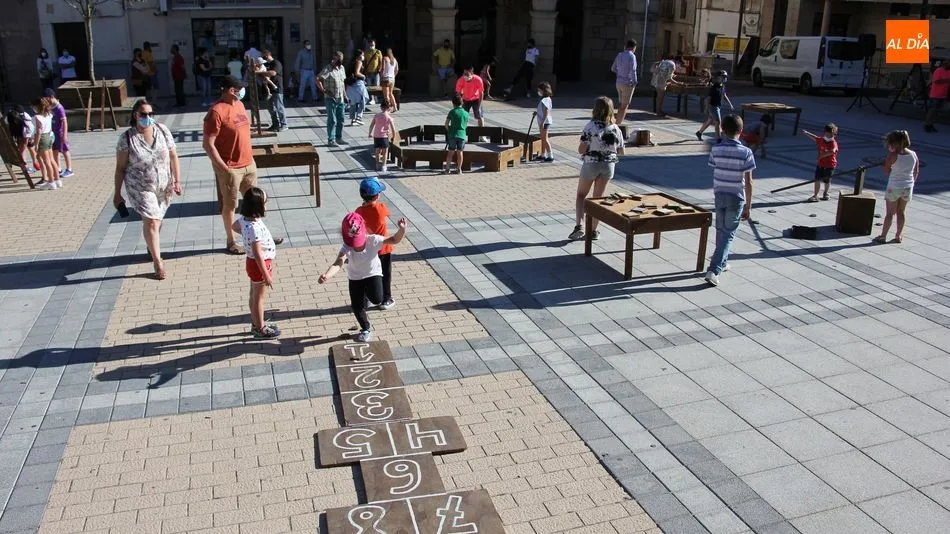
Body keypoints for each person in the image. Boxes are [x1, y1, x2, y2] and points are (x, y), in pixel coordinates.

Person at [113, 99, 183, 280]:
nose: (148, 117)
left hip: (164, 185)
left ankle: (151, 246)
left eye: (151, 114)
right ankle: (157, 261)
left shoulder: (162, 130)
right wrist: (117, 193)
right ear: (135, 115)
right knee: (152, 220)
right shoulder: (127, 138)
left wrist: (177, 180)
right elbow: (120, 168)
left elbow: (174, 155)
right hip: (140, 187)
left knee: (157, 220)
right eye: (143, 114)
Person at [318, 212, 408, 342]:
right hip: (355, 277)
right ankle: (365, 328)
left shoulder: (373, 240)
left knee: (377, 299)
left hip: (373, 273)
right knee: (357, 305)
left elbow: (394, 240)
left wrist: (402, 229)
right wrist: (327, 275)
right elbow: (338, 262)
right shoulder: (347, 247)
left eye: (358, 242)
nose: (356, 246)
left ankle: (368, 292)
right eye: (354, 243)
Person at [203, 76, 257, 255]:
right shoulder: (216, 112)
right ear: (229, 90)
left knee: (253, 202)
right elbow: (208, 144)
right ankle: (231, 241)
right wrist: (222, 167)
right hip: (230, 168)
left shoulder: (240, 105)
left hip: (248, 163)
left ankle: (256, 236)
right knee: (230, 205)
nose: (242, 91)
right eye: (239, 88)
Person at [704, 114, 755, 287]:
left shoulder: (715, 149)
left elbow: (714, 168)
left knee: (720, 230)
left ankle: (722, 262)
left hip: (719, 194)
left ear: (723, 130)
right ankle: (714, 269)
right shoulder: (746, 152)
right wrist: (749, 205)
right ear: (741, 131)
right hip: (736, 196)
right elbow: (748, 182)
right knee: (728, 233)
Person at [568, 97, 626, 241]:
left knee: (581, 195)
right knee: (597, 199)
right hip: (608, 166)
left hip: (591, 164)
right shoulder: (615, 128)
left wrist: (592, 146)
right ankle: (593, 230)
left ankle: (579, 227)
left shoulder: (590, 126)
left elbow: (581, 149)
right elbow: (621, 151)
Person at [234, 187, 280, 339]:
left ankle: (256, 322)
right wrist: (266, 275)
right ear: (258, 206)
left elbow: (234, 227)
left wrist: (249, 237)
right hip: (260, 265)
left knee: (253, 295)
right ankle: (260, 328)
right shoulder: (254, 228)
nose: (266, 206)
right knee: (259, 298)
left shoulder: (245, 220)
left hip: (252, 263)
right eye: (265, 203)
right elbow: (258, 254)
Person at [355, 178, 396, 310]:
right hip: (383, 247)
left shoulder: (359, 211)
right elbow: (388, 214)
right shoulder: (381, 208)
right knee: (385, 274)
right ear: (377, 195)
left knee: (369, 273)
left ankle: (366, 298)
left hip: (369, 249)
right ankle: (386, 298)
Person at [874, 130, 919, 244]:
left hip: (894, 186)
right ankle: (898, 235)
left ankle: (883, 236)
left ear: (895, 143)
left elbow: (886, 170)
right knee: (901, 211)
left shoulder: (893, 155)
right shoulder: (913, 154)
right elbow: (916, 171)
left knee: (890, 213)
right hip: (908, 186)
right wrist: (911, 181)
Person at [317, 51, 347, 147]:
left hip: (340, 98)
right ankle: (331, 140)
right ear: (334, 58)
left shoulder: (342, 68)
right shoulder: (328, 69)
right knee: (332, 120)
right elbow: (317, 79)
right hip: (330, 98)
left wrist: (346, 96)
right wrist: (324, 90)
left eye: (342, 59)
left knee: (341, 119)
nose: (341, 61)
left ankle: (339, 138)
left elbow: (342, 84)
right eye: (339, 59)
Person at [802, 123, 838, 202]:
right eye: (826, 134)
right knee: (817, 180)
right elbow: (815, 138)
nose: (828, 136)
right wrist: (807, 133)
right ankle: (815, 195)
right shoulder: (822, 140)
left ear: (834, 134)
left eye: (830, 135)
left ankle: (826, 193)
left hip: (830, 165)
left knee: (827, 181)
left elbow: (832, 151)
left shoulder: (833, 143)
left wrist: (822, 155)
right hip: (820, 164)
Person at [695, 71, 734, 141]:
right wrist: (706, 108)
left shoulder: (723, 86)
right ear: (719, 78)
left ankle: (699, 132)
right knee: (718, 122)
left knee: (710, 121)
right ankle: (719, 138)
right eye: (723, 77)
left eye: (725, 77)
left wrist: (730, 104)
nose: (724, 79)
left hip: (718, 106)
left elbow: (724, 96)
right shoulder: (714, 87)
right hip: (712, 106)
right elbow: (709, 98)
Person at [44, 89, 74, 178]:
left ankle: (69, 169)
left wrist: (64, 134)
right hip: (53, 133)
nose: (47, 101)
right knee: (55, 151)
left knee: (65, 150)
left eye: (47, 99)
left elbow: (64, 122)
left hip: (60, 133)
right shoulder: (50, 107)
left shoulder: (59, 108)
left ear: (52, 97)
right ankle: (58, 168)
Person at [31, 97, 59, 190]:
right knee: (51, 160)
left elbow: (38, 131)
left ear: (36, 107)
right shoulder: (48, 114)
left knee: (46, 161)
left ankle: (51, 182)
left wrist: (36, 144)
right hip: (49, 136)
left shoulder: (37, 117)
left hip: (42, 138)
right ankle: (57, 180)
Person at [611, 40, 638, 126]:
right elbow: (633, 70)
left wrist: (619, 73)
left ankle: (616, 121)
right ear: (634, 47)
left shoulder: (619, 55)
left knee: (621, 103)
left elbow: (613, 68)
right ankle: (618, 124)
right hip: (627, 82)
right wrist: (635, 81)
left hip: (619, 82)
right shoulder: (632, 56)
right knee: (624, 105)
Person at [260, 50, 287, 131]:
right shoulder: (268, 65)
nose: (262, 57)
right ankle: (275, 124)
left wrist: (261, 73)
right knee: (270, 108)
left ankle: (284, 124)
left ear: (267, 55)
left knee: (279, 107)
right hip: (269, 90)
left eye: (263, 56)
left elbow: (273, 73)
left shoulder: (276, 63)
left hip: (277, 88)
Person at [443, 94, 469, 174]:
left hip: (453, 135)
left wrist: (449, 130)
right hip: (462, 135)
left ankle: (447, 169)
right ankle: (459, 169)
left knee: (450, 152)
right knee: (460, 152)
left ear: (453, 103)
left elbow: (446, 124)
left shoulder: (452, 112)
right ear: (462, 103)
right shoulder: (465, 113)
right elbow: (466, 125)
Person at [368, 100, 396, 171]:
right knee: (385, 152)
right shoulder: (389, 118)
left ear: (381, 107)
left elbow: (371, 125)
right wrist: (394, 136)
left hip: (376, 136)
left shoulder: (376, 116)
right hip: (384, 137)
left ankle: (377, 165)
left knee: (377, 151)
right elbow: (393, 129)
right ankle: (384, 166)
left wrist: (370, 133)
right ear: (389, 108)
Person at [924, 61, 950, 133]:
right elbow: (936, 81)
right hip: (935, 94)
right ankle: (927, 125)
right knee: (932, 110)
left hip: (943, 94)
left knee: (936, 111)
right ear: (945, 64)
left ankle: (931, 124)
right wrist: (947, 80)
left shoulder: (948, 71)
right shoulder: (939, 70)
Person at [347, 49, 369, 126]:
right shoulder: (359, 62)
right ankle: (359, 118)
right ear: (359, 55)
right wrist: (363, 76)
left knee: (353, 102)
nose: (363, 56)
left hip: (350, 85)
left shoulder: (351, 62)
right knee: (364, 98)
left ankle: (353, 120)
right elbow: (357, 73)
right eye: (362, 55)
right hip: (358, 83)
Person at [536, 82, 554, 162]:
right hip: (544, 121)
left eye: (539, 90)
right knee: (543, 138)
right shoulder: (547, 99)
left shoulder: (545, 100)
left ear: (543, 90)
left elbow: (546, 111)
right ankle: (543, 154)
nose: (538, 92)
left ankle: (550, 155)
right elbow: (543, 110)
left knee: (545, 139)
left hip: (544, 122)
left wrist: (542, 122)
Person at [364, 40, 383, 104]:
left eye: (372, 45)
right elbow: (364, 62)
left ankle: (375, 98)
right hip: (368, 72)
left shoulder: (378, 52)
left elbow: (381, 61)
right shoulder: (366, 52)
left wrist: (379, 69)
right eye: (370, 45)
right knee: (369, 86)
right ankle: (372, 99)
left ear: (375, 45)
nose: (371, 46)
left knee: (376, 86)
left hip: (376, 72)